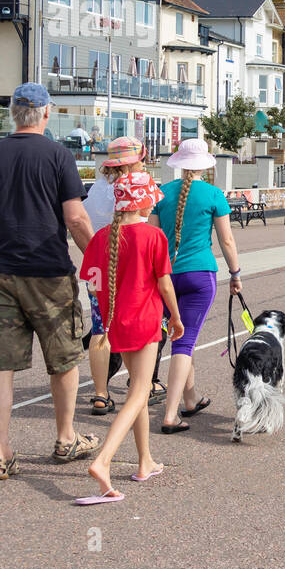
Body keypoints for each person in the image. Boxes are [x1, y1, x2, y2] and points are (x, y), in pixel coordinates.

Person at [0, 83, 101, 480]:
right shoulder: (58, 156)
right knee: (63, 357)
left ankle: (0, 452)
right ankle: (64, 437)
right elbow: (75, 219)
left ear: (12, 114)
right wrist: (98, 265)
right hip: (49, 273)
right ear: (46, 114)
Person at [78, 173, 184, 502]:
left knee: (135, 391)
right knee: (140, 390)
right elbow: (165, 284)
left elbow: (93, 285)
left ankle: (144, 461)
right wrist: (176, 318)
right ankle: (104, 460)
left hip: (116, 322)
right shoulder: (153, 236)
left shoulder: (101, 238)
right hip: (146, 317)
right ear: (142, 201)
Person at [150, 138, 242, 434]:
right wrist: (235, 273)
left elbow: (151, 238)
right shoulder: (214, 194)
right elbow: (227, 240)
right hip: (199, 274)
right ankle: (170, 415)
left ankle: (190, 399)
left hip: (166, 276)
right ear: (205, 165)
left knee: (178, 337)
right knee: (184, 342)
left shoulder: (162, 193)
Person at [83, 137, 168, 414]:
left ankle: (100, 393)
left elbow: (85, 223)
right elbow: (148, 222)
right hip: (135, 268)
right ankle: (143, 382)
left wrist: (94, 254)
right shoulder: (138, 184)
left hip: (101, 265)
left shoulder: (98, 188)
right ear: (138, 158)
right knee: (145, 327)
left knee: (100, 327)